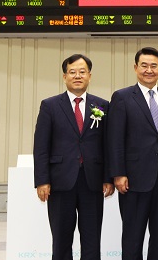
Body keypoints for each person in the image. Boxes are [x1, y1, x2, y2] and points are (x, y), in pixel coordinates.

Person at [33, 53, 114, 260]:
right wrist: (42, 180)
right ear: (64, 76)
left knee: (92, 238)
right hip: (60, 182)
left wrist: (108, 177)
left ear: (89, 76)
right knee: (61, 239)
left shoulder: (102, 105)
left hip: (92, 181)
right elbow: (41, 147)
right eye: (72, 72)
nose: (77, 76)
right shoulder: (50, 106)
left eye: (82, 72)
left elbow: (108, 145)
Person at [107, 47, 158, 260]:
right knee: (133, 237)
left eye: (153, 66)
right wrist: (118, 173)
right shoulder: (122, 97)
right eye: (144, 65)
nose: (149, 70)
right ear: (135, 68)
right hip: (133, 179)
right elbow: (114, 138)